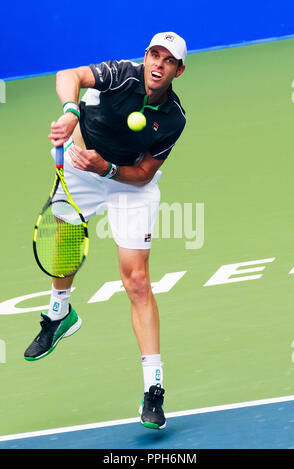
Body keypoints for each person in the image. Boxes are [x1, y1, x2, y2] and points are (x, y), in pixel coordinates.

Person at [24, 32, 187, 430]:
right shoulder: (121, 75)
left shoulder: (173, 118)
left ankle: (154, 388)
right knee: (64, 246)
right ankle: (59, 314)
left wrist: (110, 170)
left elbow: (144, 173)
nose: (158, 64)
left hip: (128, 184)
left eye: (168, 61)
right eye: (154, 55)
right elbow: (70, 74)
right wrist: (69, 113)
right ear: (145, 56)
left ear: (178, 71)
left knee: (136, 281)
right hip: (82, 165)